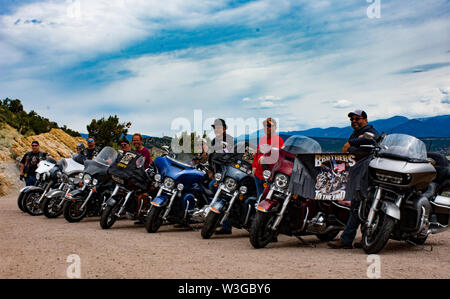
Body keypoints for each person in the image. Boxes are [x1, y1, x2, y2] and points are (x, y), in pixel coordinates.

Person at [328, 109, 379, 249]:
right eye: (352, 119)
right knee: (358, 205)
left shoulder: (370, 131)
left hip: (365, 174)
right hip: (357, 173)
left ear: (365, 120)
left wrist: (351, 143)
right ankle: (363, 238)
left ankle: (350, 239)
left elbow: (370, 139)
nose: (354, 121)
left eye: (357, 119)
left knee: (360, 204)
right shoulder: (356, 133)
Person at [252, 117, 284, 200]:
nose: (267, 128)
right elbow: (257, 154)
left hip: (268, 177)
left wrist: (265, 157)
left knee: (267, 200)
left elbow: (278, 157)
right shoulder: (263, 139)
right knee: (259, 198)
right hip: (258, 175)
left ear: (275, 128)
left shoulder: (278, 140)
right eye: (265, 126)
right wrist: (254, 167)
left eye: (269, 126)